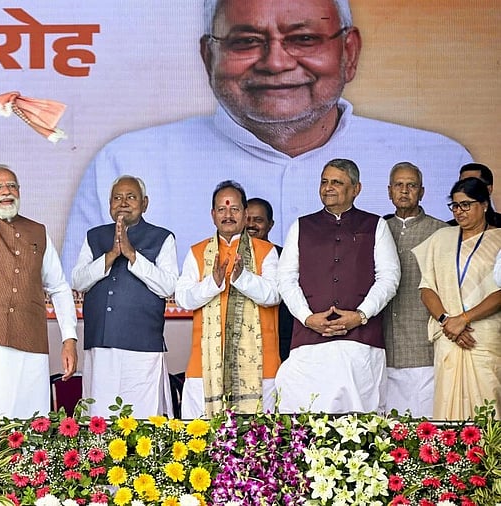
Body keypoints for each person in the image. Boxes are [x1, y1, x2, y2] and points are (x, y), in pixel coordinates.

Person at [61, 0, 471, 273]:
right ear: (208, 56)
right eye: (246, 42)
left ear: (349, 52)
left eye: (304, 39)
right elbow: (79, 304)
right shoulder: (128, 163)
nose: (275, 62)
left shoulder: (438, 161)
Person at [0, 105, 78, 419]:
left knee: (28, 422)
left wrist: (69, 338)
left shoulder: (38, 232)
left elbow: (59, 288)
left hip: (29, 340)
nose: (6, 191)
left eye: (12, 186)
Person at [276, 159, 400, 414]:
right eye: (324, 182)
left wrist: (361, 315)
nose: (328, 188)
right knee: (306, 417)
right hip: (310, 341)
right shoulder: (301, 226)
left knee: (360, 421)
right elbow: (286, 278)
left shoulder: (375, 225)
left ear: (356, 189)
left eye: (337, 182)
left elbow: (389, 277)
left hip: (360, 341)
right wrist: (307, 318)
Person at [71, 175, 177, 418]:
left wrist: (132, 255)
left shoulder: (162, 237)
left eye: (131, 197)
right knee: (99, 417)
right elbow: (78, 281)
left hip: (143, 348)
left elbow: (168, 286)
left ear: (145, 203)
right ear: (109, 204)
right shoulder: (94, 236)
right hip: (100, 345)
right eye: (117, 198)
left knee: (142, 419)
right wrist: (110, 256)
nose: (123, 203)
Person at [175, 181, 281, 418]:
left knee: (258, 435)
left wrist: (243, 278)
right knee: (201, 436)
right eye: (222, 209)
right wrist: (212, 283)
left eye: (234, 209)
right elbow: (183, 298)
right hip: (204, 367)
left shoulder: (266, 251)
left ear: (245, 213)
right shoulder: (197, 252)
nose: (228, 215)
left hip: (260, 366)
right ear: (213, 214)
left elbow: (274, 295)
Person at [413, 177, 501, 420]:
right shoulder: (442, 238)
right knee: (446, 411)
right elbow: (426, 288)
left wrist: (463, 319)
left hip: (483, 337)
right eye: (455, 205)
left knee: (488, 410)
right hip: (448, 335)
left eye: (466, 205)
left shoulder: (499, 239)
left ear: (484, 205)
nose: (459, 211)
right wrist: (447, 321)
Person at [380, 162, 447, 417]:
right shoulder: (377, 230)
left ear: (422, 191)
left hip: (423, 344)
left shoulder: (441, 231)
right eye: (399, 185)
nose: (404, 191)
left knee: (426, 423)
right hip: (382, 343)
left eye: (412, 185)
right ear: (389, 191)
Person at [245, 197, 294, 361]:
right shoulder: (227, 255)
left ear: (270, 224)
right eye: (247, 219)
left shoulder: (285, 256)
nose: (251, 225)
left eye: (258, 220)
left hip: (279, 340)